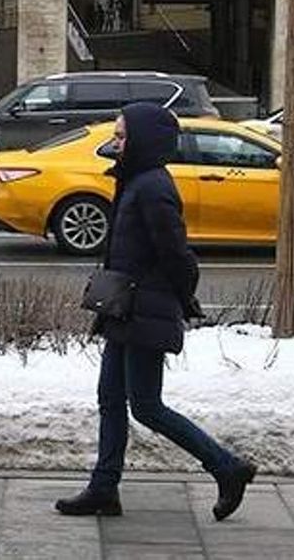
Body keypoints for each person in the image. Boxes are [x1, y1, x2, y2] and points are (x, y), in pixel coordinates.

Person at [55, 102, 256, 522]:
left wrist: (183, 297)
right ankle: (103, 489)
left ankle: (226, 467)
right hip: (124, 307)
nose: (115, 142)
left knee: (146, 405)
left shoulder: (152, 187)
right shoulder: (134, 180)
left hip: (144, 309)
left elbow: (177, 253)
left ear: (143, 140)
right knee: (110, 399)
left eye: (122, 135)